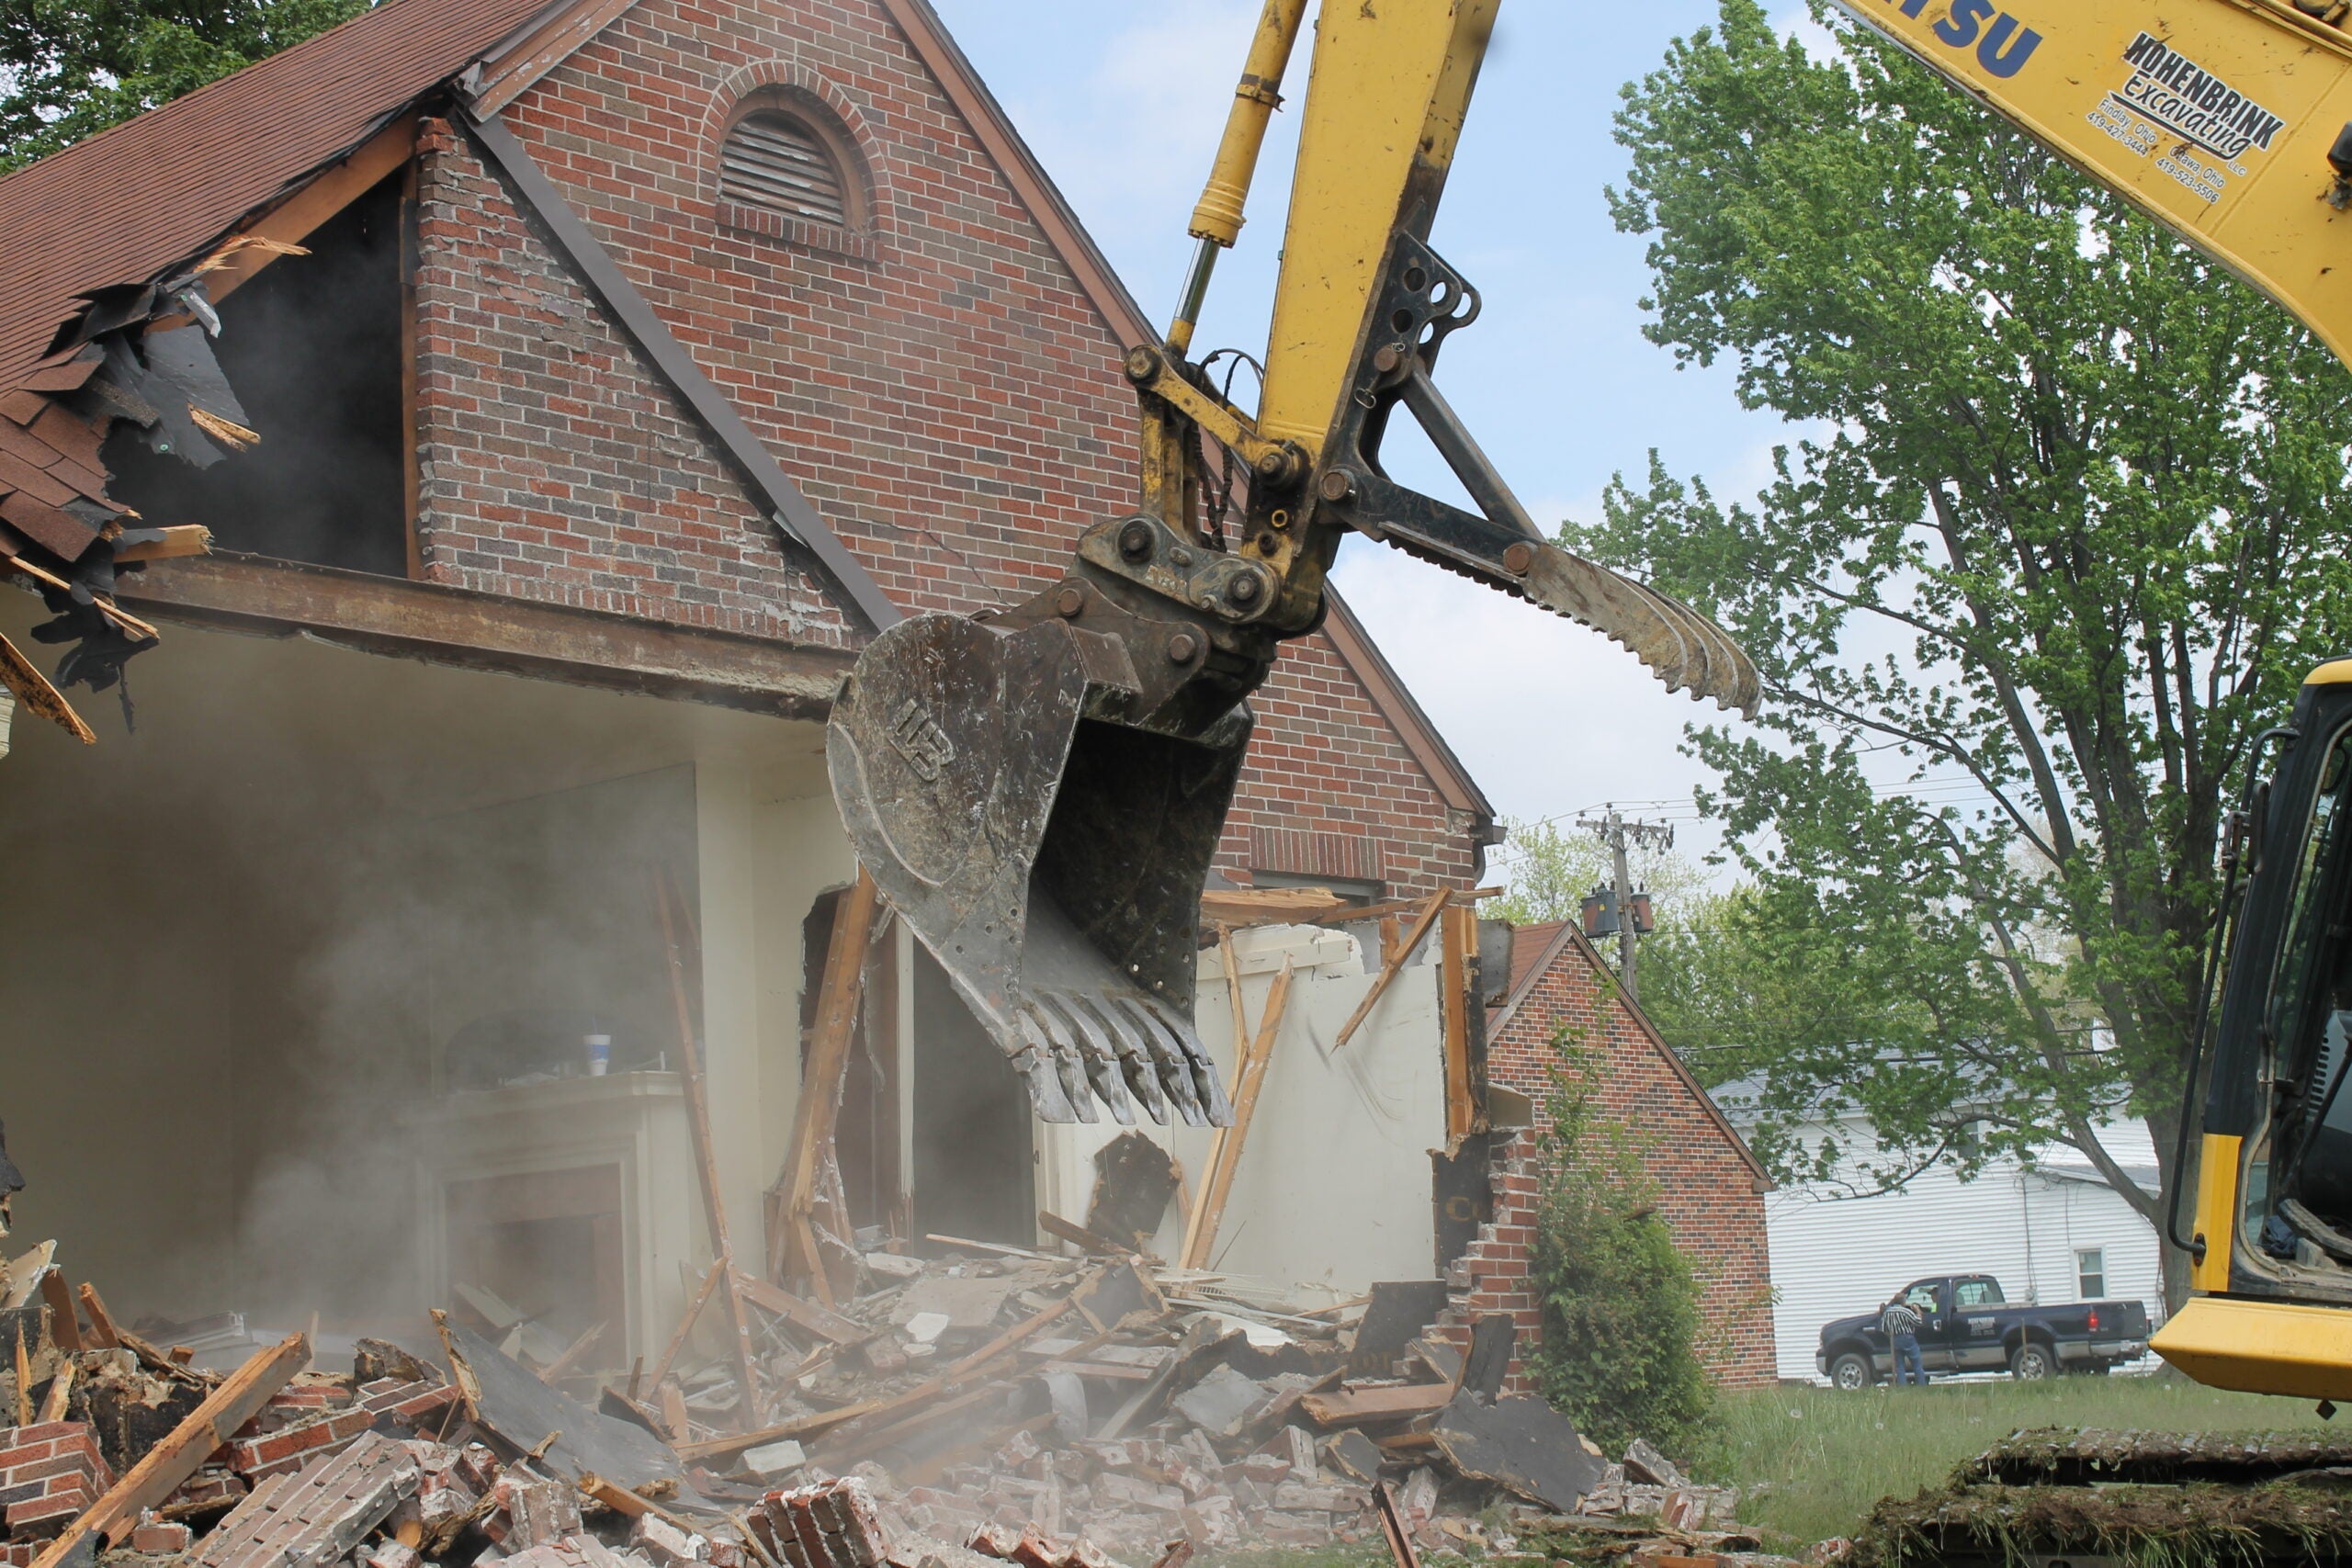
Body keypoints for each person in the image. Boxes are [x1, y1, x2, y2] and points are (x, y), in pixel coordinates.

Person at [1881, 1293, 1926, 1386]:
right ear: (1903, 1301)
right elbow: (1918, 1321)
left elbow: (1884, 1329)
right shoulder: (1905, 1311)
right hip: (1908, 1338)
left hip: (1895, 1339)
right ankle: (1921, 1384)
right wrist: (1917, 1310)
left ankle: (1902, 1386)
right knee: (1916, 1364)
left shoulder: (1887, 1313)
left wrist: (1891, 1337)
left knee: (1899, 1366)